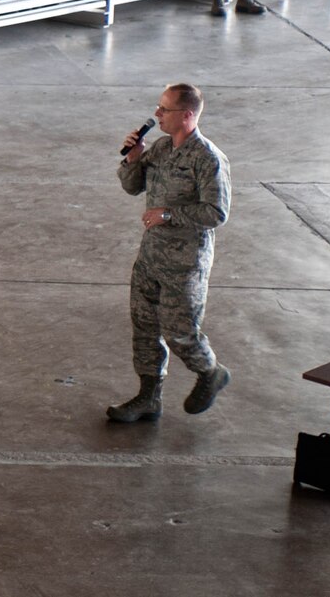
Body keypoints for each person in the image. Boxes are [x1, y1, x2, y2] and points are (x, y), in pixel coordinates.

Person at [108, 83, 232, 422]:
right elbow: (133, 187)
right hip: (151, 256)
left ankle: (210, 372)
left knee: (178, 330)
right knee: (144, 325)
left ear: (187, 115)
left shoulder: (208, 159)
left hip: (184, 263)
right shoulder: (162, 148)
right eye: (159, 107)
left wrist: (169, 214)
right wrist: (133, 158)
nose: (157, 114)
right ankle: (148, 397)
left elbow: (216, 213)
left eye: (165, 109)